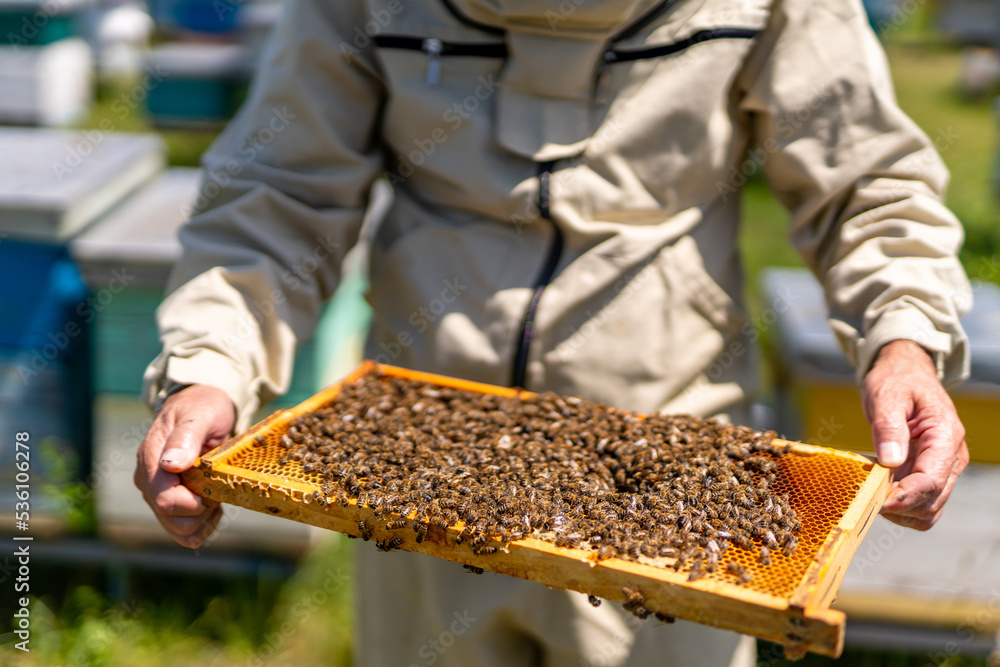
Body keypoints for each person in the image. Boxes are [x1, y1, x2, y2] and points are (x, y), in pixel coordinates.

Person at [134, 0, 972, 665]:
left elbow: (865, 181)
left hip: (671, 464)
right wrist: (213, 359)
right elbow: (280, 190)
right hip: (418, 465)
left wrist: (904, 334)